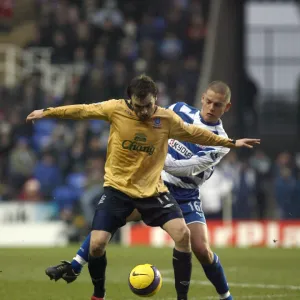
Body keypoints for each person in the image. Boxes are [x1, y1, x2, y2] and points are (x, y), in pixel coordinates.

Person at [27, 75, 260, 300]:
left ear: (226, 107)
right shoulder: (178, 110)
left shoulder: (221, 142)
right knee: (108, 224)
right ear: (202, 98)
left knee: (201, 249)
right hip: (153, 184)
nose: (211, 107)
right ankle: (76, 265)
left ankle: (225, 296)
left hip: (184, 194)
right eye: (208, 101)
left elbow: (186, 169)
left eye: (217, 105)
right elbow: (150, 127)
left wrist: (151, 155)